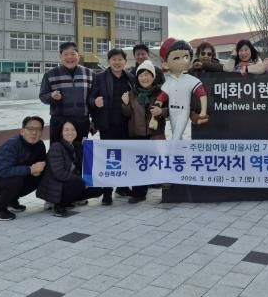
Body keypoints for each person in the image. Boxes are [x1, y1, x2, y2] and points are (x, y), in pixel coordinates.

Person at [0, 116, 47, 221]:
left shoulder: (40, 145)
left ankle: (10, 201)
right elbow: (4, 171)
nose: (34, 132)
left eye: (38, 129)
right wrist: (30, 170)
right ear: (22, 131)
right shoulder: (11, 145)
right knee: (16, 180)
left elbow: (41, 163)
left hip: (6, 180)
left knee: (41, 175)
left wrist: (39, 169)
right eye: (30, 129)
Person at [88, 48, 135, 205]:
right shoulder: (99, 77)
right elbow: (89, 99)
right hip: (108, 125)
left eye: (120, 59)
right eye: (114, 59)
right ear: (109, 61)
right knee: (110, 158)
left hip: (126, 124)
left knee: (125, 156)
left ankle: (122, 187)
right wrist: (95, 102)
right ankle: (107, 192)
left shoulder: (130, 78)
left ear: (125, 61)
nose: (117, 62)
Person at [121, 60, 169, 203]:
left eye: (147, 74)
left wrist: (162, 111)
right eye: (141, 75)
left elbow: (172, 110)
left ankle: (165, 191)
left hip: (155, 134)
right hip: (137, 134)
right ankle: (138, 193)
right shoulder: (131, 93)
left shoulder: (162, 93)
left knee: (158, 163)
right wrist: (125, 104)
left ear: (153, 76)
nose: (144, 78)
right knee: (139, 165)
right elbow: (127, 114)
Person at [37, 121, 104, 217]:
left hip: (70, 183)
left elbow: (84, 166)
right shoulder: (56, 147)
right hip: (56, 186)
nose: (70, 132)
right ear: (61, 132)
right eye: (66, 130)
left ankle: (69, 200)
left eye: (73, 130)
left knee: (97, 189)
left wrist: (86, 147)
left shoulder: (76, 146)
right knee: (79, 183)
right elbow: (59, 174)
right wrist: (82, 181)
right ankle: (59, 205)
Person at [39, 41, 94, 143]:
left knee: (80, 149)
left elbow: (93, 98)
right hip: (59, 121)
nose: (70, 57)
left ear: (78, 56)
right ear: (60, 56)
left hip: (82, 120)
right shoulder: (50, 74)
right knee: (57, 148)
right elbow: (42, 96)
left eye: (73, 54)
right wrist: (51, 96)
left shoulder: (89, 73)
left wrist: (94, 120)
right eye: (66, 54)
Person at [154, 39, 208, 140]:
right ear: (166, 64)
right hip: (172, 111)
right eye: (176, 58)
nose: (183, 61)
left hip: (184, 110)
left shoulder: (191, 79)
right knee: (177, 134)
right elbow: (161, 98)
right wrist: (154, 114)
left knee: (176, 137)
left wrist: (203, 111)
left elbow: (202, 94)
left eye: (186, 57)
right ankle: (181, 149)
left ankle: (175, 149)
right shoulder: (168, 81)